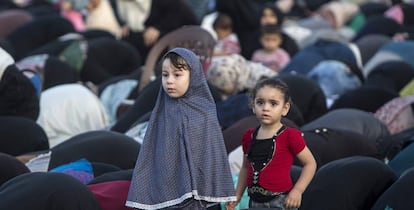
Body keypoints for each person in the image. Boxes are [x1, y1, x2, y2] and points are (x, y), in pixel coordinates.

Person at [126, 48, 236, 209]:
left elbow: (211, 153)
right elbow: (153, 152)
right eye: (165, 75)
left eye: (177, 75)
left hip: (198, 194)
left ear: (194, 77)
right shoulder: (162, 111)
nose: (169, 81)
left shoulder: (204, 111)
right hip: (166, 190)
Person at [226, 78, 316, 209]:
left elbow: (310, 164)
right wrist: (238, 195)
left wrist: (298, 191)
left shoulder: (290, 135)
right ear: (253, 106)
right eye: (260, 102)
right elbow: (246, 168)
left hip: (280, 201)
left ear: (285, 109)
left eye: (273, 104)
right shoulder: (248, 137)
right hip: (254, 202)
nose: (266, 108)